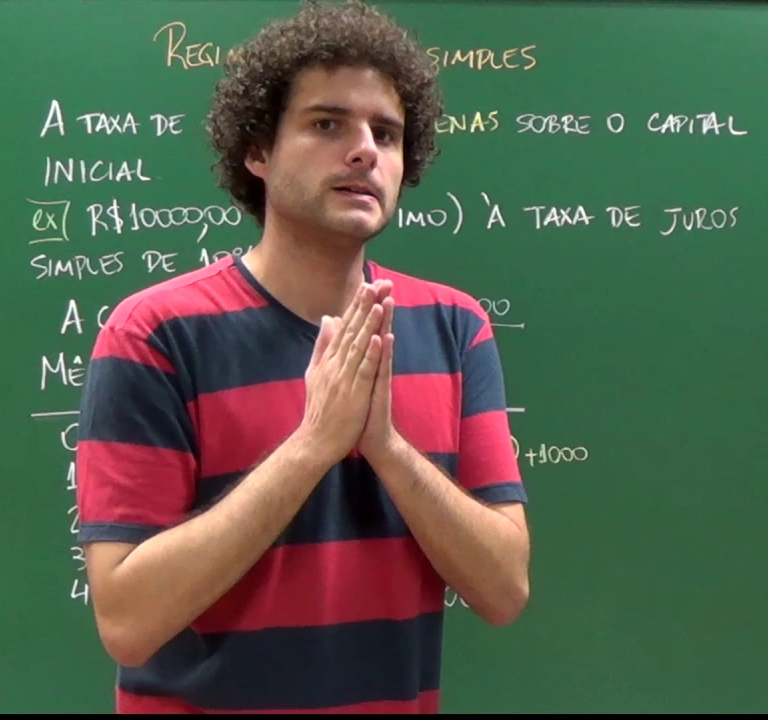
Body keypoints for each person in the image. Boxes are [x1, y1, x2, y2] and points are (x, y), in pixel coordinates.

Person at [73, 0, 530, 713]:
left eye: (386, 133)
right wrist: (313, 445)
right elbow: (129, 623)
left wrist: (386, 447)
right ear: (258, 151)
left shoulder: (453, 326)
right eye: (326, 124)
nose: (364, 151)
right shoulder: (156, 333)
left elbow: (505, 591)